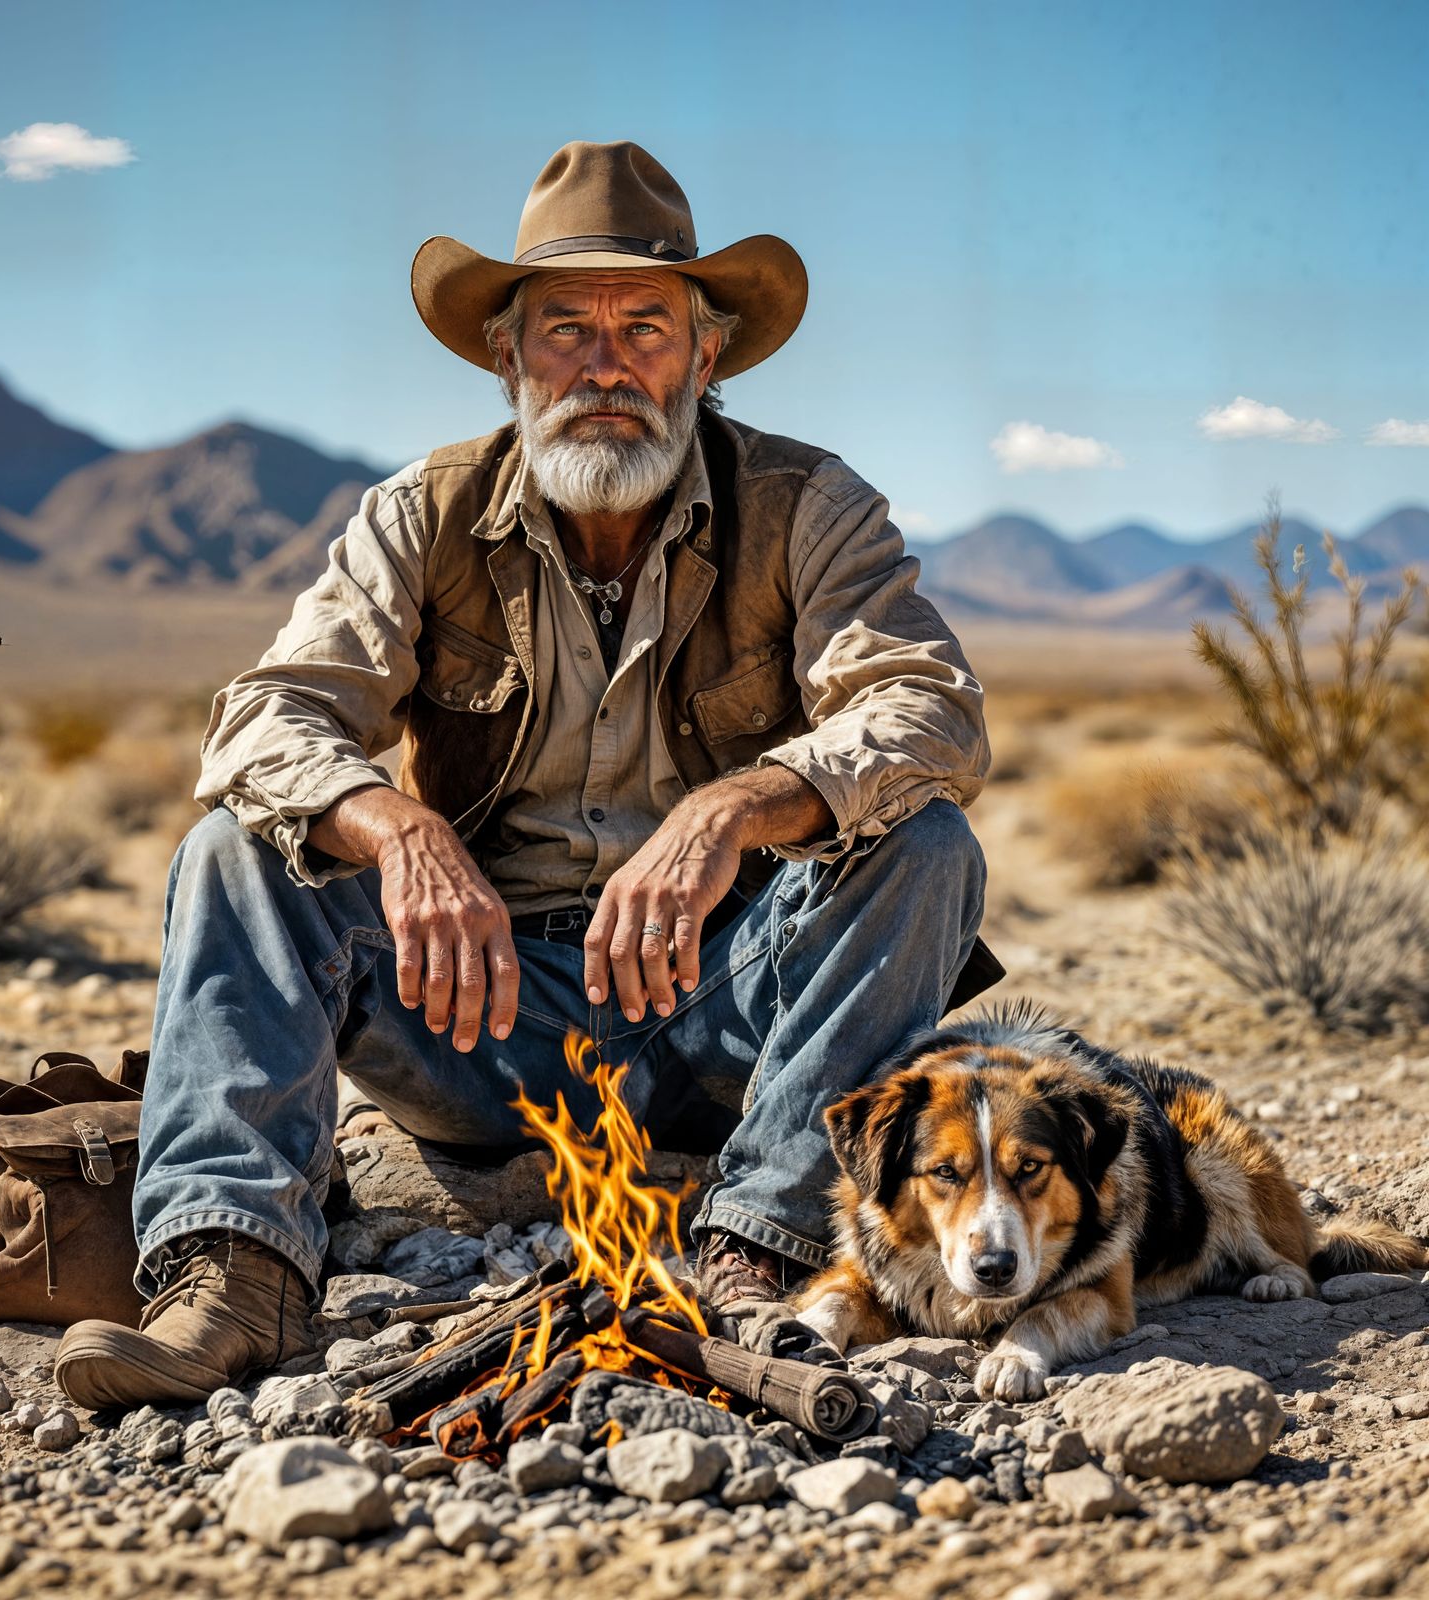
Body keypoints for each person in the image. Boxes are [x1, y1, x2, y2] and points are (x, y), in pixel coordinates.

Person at [54, 140, 997, 1410]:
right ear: (508, 356)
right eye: (566, 329)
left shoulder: (806, 506)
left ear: (703, 356)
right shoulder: (422, 513)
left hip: (723, 1008)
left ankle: (760, 1254)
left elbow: (927, 707)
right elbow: (270, 716)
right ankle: (236, 1276)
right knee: (238, 850)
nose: (605, 365)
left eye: (644, 327)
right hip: (473, 1004)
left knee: (924, 845)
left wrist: (729, 810)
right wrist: (396, 829)